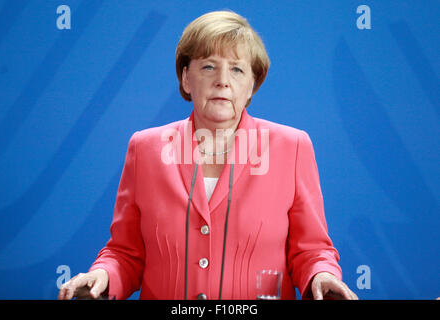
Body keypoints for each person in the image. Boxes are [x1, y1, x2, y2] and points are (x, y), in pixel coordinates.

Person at [58, 10, 358, 300]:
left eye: (237, 69)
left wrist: (322, 274)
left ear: (252, 84)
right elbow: (126, 252)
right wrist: (103, 274)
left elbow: (311, 251)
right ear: (186, 79)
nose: (222, 80)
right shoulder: (145, 148)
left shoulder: (292, 147)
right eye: (208, 67)